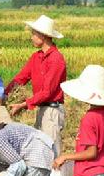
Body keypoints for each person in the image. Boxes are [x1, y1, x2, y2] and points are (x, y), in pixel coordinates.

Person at [5, 15, 66, 155]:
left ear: (43, 36)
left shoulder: (57, 59)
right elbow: (20, 79)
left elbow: (47, 92)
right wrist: (4, 94)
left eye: (34, 33)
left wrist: (23, 104)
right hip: (42, 109)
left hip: (52, 111)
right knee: (40, 152)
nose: (31, 37)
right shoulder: (36, 57)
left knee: (52, 153)